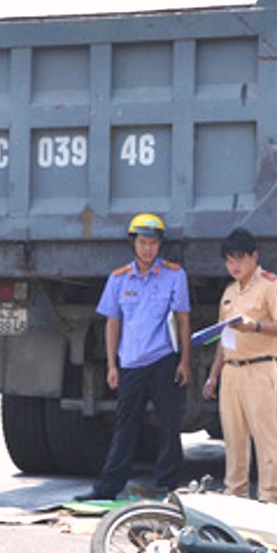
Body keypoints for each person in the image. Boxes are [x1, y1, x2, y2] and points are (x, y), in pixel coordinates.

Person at [75, 213, 191, 501]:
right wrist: (112, 365)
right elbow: (112, 323)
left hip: (164, 359)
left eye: (152, 242)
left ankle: (168, 486)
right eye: (142, 242)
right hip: (130, 364)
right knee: (125, 426)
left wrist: (185, 361)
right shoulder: (118, 279)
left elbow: (183, 320)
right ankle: (108, 486)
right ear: (133, 243)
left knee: (169, 424)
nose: (147, 248)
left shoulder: (175, 275)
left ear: (160, 245)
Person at [202, 227, 277, 504]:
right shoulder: (230, 292)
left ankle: (270, 498)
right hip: (232, 371)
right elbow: (224, 337)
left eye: (240, 259)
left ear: (254, 256)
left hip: (260, 367)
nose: (235, 266)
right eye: (229, 260)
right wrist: (213, 376)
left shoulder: (271, 285)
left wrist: (254, 326)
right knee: (234, 437)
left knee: (266, 437)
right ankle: (235, 494)